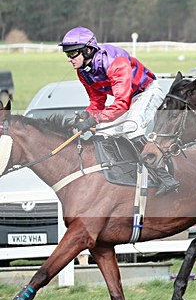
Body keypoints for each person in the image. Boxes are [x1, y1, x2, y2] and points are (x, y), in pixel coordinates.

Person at [58, 26, 179, 195]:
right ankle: (119, 173)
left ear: (87, 50)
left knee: (131, 127)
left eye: (72, 54)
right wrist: (86, 114)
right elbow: (97, 102)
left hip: (146, 92)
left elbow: (121, 104)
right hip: (126, 99)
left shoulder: (115, 62)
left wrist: (95, 119)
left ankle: (164, 176)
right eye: (67, 55)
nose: (69, 59)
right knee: (102, 133)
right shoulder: (83, 72)